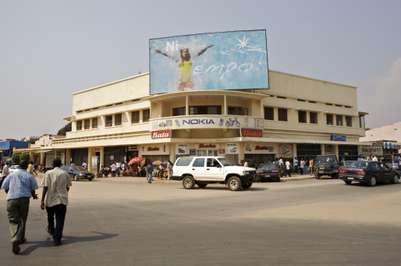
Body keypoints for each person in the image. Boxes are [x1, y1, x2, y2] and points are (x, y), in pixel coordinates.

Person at [1, 160, 38, 254]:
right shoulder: (29, 176)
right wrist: (34, 196)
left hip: (11, 199)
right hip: (24, 199)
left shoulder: (11, 175)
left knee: (13, 221)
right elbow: (33, 188)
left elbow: (4, 186)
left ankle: (15, 239)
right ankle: (20, 238)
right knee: (22, 219)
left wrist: (10, 194)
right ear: (26, 167)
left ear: (18, 167)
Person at [40, 158, 72, 246]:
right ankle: (57, 239)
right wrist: (63, 192)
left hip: (50, 200)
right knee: (60, 220)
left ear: (52, 165)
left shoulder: (48, 173)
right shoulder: (65, 173)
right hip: (62, 200)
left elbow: (45, 187)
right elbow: (68, 187)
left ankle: (52, 230)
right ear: (61, 165)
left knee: (50, 218)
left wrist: (42, 200)